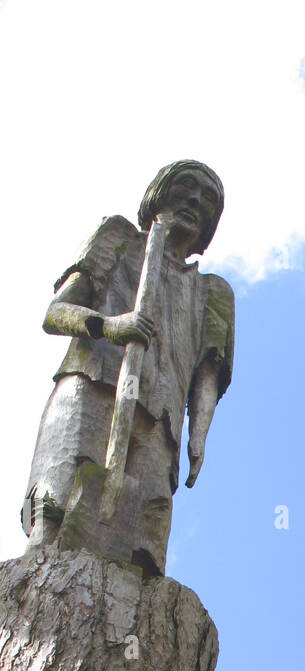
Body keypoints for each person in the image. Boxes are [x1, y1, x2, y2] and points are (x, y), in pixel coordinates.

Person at [22, 160, 234, 577]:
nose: (194, 200)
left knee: (143, 540)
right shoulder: (117, 237)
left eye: (207, 199)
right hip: (92, 384)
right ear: (160, 192)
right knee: (54, 508)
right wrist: (110, 326)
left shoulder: (213, 291)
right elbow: (56, 312)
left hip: (161, 420)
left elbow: (208, 373)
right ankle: (36, 583)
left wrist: (199, 434)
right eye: (185, 187)